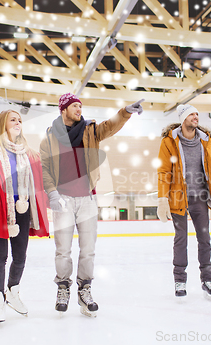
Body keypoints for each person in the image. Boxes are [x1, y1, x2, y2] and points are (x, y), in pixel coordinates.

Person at [40, 93, 144, 317]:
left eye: (80, 106)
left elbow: (110, 126)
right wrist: (52, 194)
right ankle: (63, 288)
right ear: (63, 109)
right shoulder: (49, 138)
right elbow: (46, 171)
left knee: (88, 250)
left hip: (87, 198)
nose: (79, 109)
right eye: (75, 106)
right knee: (62, 251)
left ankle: (85, 290)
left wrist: (125, 112)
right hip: (63, 201)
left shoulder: (89, 130)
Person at [0, 109, 49, 322]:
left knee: (20, 256)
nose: (18, 122)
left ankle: (12, 293)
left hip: (22, 207)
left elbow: (43, 177)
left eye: (20, 120)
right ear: (2, 124)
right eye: (13, 119)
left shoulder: (28, 152)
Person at [157, 104, 211, 300]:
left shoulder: (206, 141)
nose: (196, 117)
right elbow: (164, 172)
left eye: (197, 114)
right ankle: (180, 280)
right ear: (183, 118)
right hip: (178, 197)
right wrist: (162, 198)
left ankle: (207, 280)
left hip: (200, 197)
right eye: (192, 114)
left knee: (204, 239)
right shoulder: (169, 142)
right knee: (181, 239)